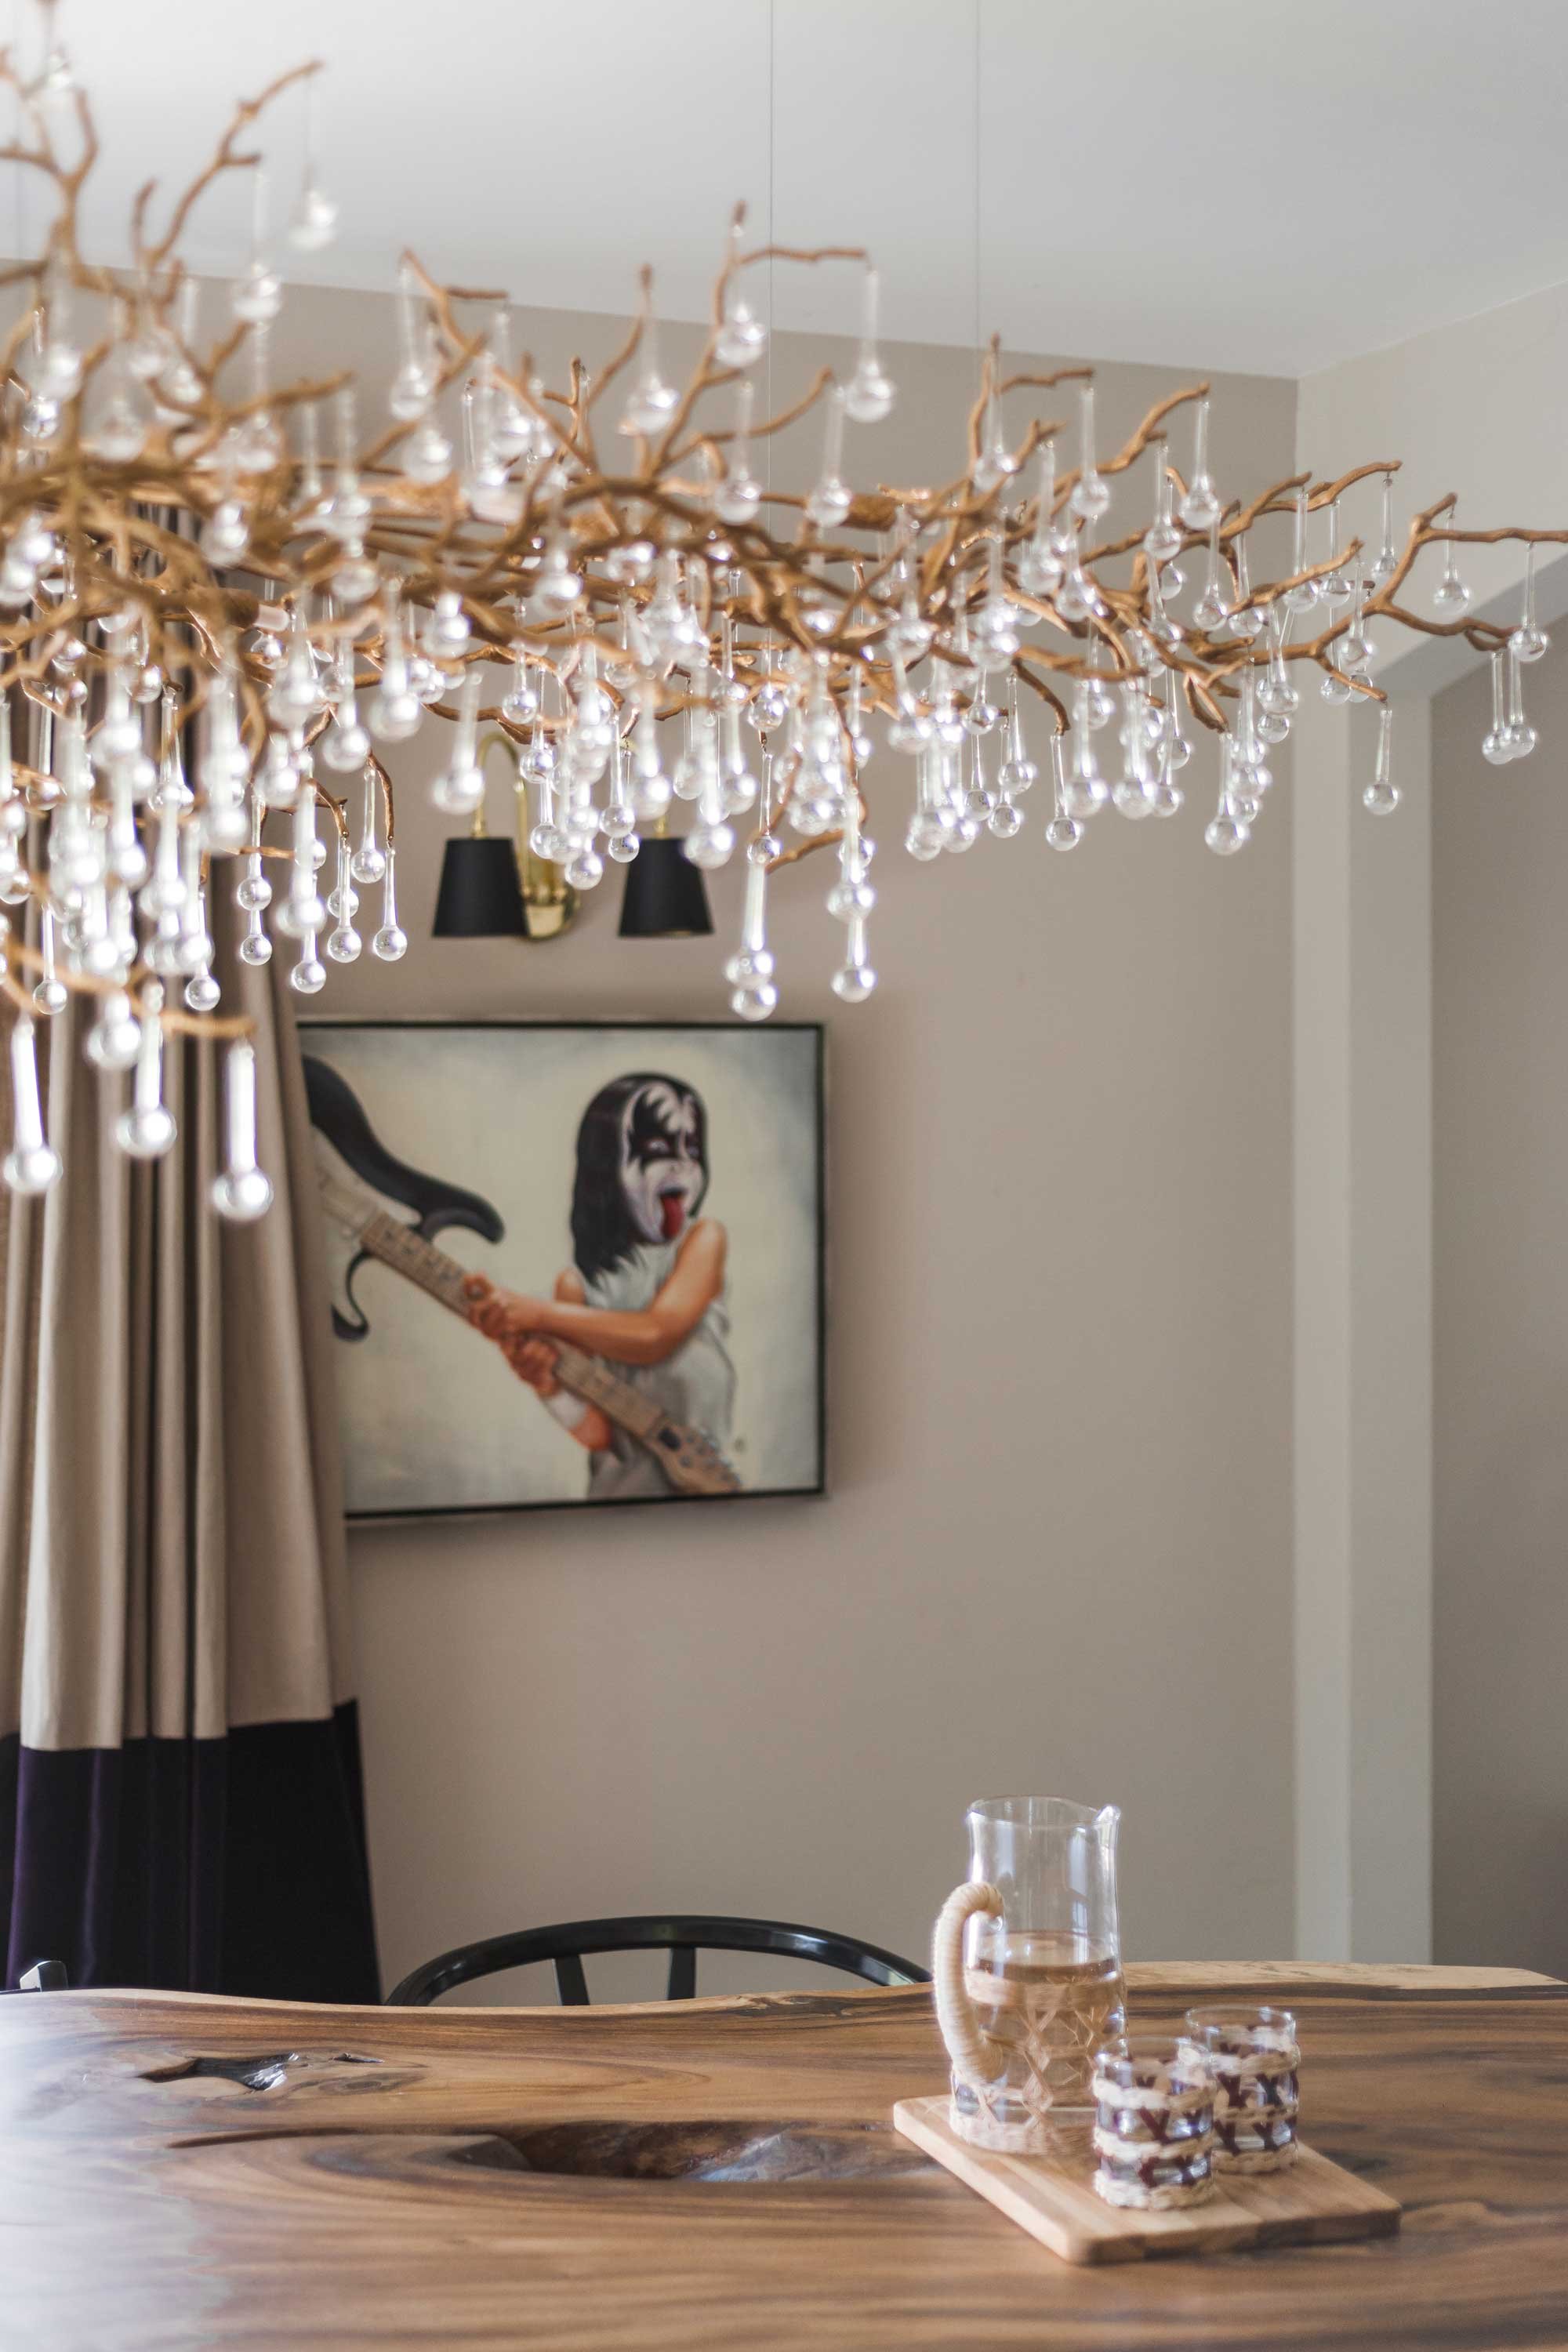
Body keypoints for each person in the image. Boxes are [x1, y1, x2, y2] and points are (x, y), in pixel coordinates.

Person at [463, 1073, 737, 1500]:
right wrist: (548, 1387)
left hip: (713, 1497)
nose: (684, 1165)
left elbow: (655, 1334)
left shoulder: (704, 1241)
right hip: (618, 1506)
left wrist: (538, 1313)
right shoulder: (575, 1286)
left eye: (693, 1149)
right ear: (607, 1163)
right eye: (659, 1150)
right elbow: (599, 1435)